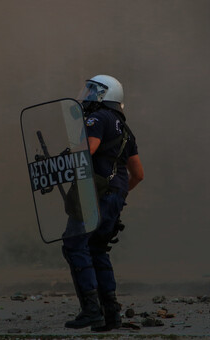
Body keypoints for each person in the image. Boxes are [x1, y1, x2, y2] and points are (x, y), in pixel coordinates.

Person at [61, 75, 144, 331]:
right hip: (115, 194)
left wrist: (63, 159)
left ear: (105, 95)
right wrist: (118, 196)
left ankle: (91, 311)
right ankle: (112, 316)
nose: (86, 95)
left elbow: (89, 149)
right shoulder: (125, 129)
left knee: (75, 244)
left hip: (94, 193)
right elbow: (138, 175)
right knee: (97, 248)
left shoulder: (96, 119)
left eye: (92, 90)